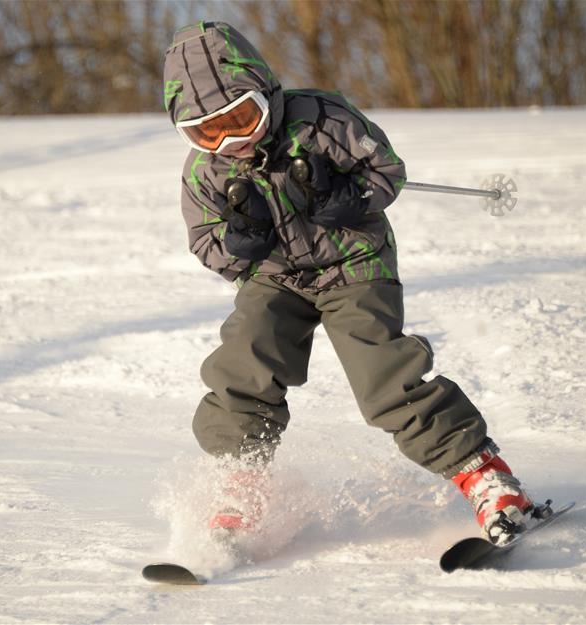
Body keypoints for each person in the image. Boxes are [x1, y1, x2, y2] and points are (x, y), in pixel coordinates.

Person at [163, 21, 535, 546]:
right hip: (276, 278)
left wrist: (348, 197)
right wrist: (242, 244)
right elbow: (206, 242)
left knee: (382, 373)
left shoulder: (322, 119)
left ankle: (485, 477)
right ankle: (239, 485)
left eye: (242, 118)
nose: (230, 139)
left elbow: (387, 171)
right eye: (208, 132)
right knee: (246, 355)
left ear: (264, 92)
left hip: (354, 265)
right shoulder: (205, 173)